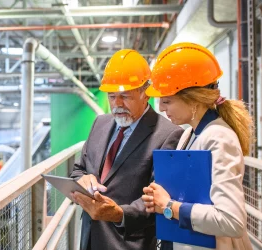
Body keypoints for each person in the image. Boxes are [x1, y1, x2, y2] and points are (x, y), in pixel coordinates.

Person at [141, 42, 253, 250]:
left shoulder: (219, 138)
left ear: (193, 100)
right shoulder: (188, 134)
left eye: (167, 101)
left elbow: (232, 221)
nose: (161, 109)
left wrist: (168, 206)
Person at [70, 49, 183, 250]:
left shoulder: (168, 134)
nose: (117, 104)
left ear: (145, 94)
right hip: (90, 238)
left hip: (129, 242)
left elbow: (160, 199)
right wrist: (82, 180)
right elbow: (79, 169)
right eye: (112, 96)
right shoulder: (100, 123)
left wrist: (119, 214)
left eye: (125, 96)